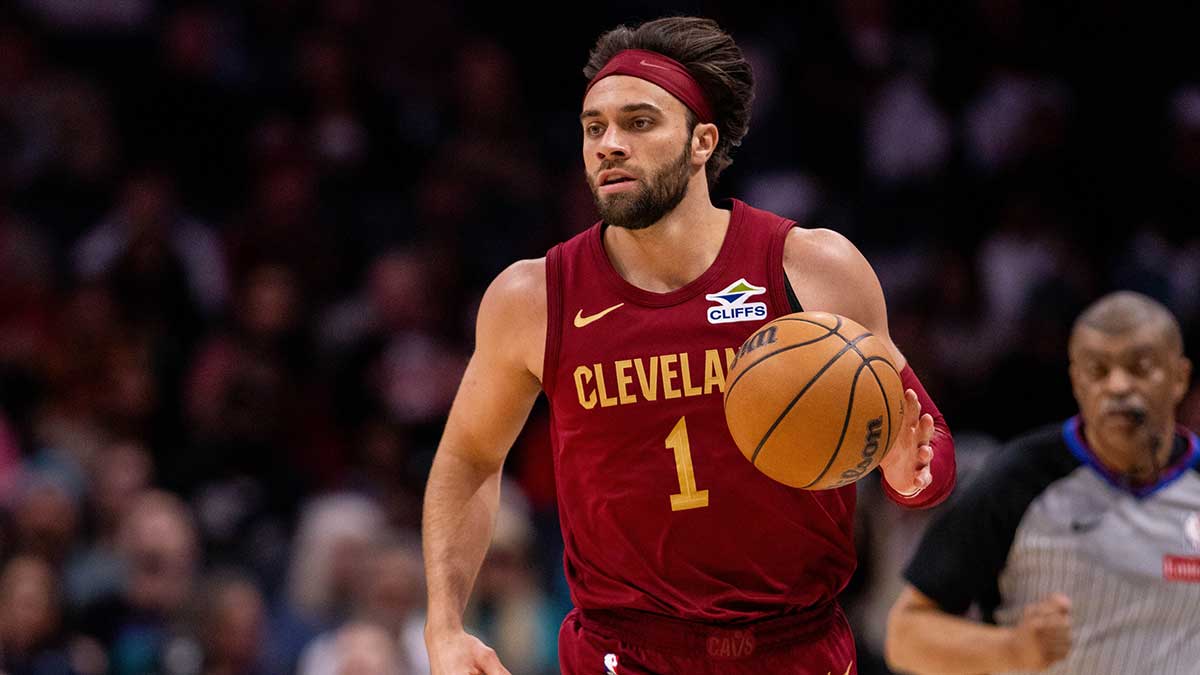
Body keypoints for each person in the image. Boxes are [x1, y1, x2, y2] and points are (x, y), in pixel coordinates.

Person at [423, 16, 957, 675]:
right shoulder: (533, 295)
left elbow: (926, 448)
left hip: (796, 647)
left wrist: (911, 475)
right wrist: (444, 625)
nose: (608, 145)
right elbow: (471, 456)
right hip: (621, 653)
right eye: (595, 127)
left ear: (703, 140)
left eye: (639, 122)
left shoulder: (811, 266)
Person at [886, 291, 1200, 675]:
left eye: (1139, 367)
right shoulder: (1017, 478)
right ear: (1076, 380)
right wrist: (1010, 649)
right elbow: (905, 635)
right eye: (1098, 370)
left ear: (1179, 378)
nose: (1118, 386)